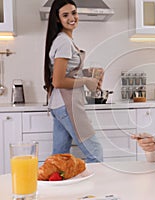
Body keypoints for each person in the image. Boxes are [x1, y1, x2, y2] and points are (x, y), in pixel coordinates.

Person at [43, 0, 103, 162]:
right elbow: (58, 81)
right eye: (65, 15)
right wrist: (85, 81)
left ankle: (57, 187)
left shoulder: (64, 40)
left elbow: (65, 73)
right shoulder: (63, 42)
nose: (72, 17)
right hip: (67, 105)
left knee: (59, 158)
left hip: (59, 105)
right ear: (58, 19)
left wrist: (86, 73)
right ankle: (94, 188)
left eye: (74, 13)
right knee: (95, 153)